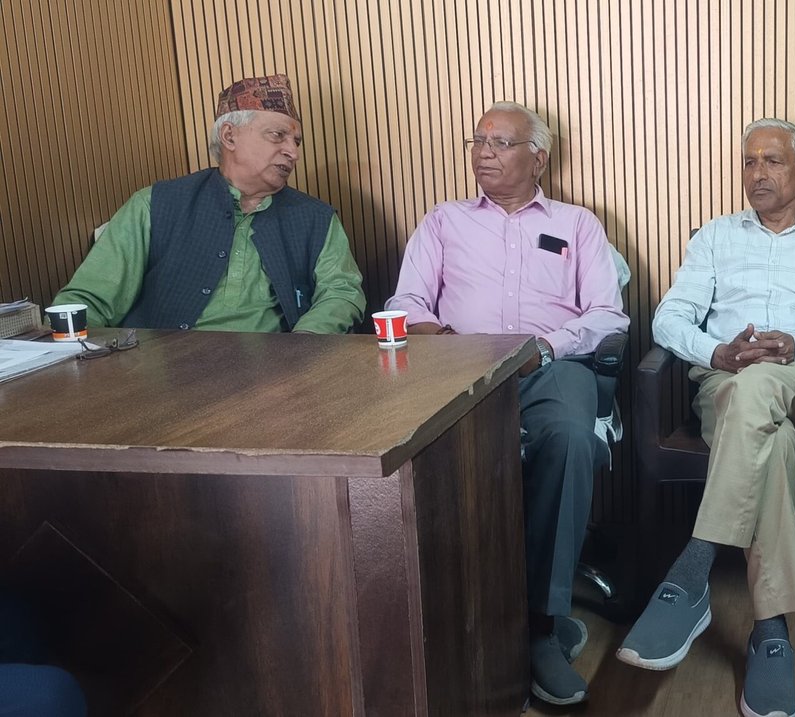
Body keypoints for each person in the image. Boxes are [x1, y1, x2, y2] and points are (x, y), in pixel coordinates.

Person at [618, 118, 795, 717]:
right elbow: (669, 318)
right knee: (771, 437)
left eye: (772, 161)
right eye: (749, 161)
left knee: (763, 383)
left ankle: (692, 568)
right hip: (727, 385)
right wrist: (716, 352)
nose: (757, 173)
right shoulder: (715, 238)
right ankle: (772, 634)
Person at [386, 101, 628, 707]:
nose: (483, 153)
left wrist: (544, 347)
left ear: (538, 158)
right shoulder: (443, 222)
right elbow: (405, 302)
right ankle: (447, 618)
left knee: (569, 438)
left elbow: (608, 315)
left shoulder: (578, 224)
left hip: (550, 366)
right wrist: (442, 339)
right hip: (457, 371)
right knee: (414, 448)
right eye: (478, 141)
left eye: (500, 143)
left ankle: (542, 627)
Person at [52, 74, 363, 334]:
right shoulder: (155, 205)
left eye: (296, 142)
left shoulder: (315, 218)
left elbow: (342, 292)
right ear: (229, 136)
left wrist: (303, 346)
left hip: (276, 378)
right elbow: (88, 300)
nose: (293, 153)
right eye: (277, 135)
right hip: (159, 375)